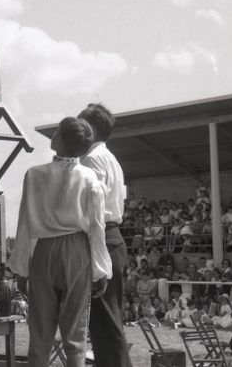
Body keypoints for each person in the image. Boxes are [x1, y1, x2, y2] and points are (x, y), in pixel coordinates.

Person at [8, 117, 112, 366]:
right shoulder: (89, 177)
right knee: (76, 331)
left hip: (44, 250)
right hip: (77, 251)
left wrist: (22, 267)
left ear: (60, 139)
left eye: (56, 132)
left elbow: (25, 223)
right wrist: (101, 269)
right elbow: (97, 226)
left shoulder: (34, 174)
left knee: (40, 331)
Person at [78, 103, 132, 367]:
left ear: (91, 128)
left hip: (102, 238)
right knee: (107, 323)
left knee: (105, 324)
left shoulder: (92, 159)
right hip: (110, 238)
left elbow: (94, 209)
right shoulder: (110, 158)